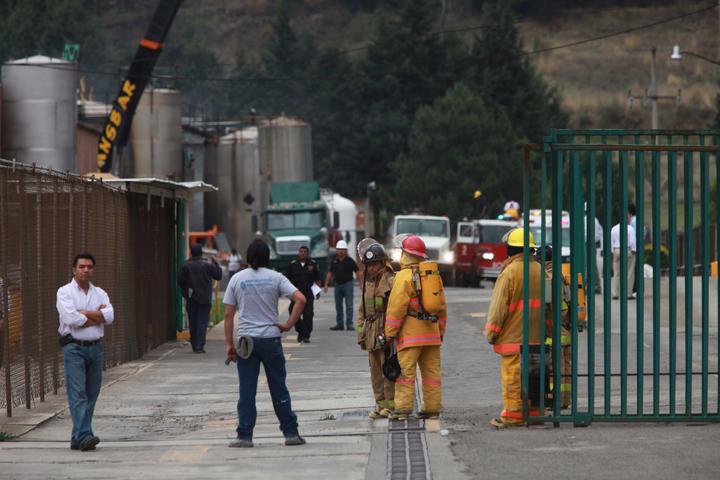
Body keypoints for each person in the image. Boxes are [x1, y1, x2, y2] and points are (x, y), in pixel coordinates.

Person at [223, 239, 307, 448]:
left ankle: (244, 435)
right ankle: (290, 433)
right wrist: (288, 324)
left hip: (246, 341)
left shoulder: (237, 279)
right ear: (268, 256)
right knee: (278, 387)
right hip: (271, 339)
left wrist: (229, 345)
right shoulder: (276, 278)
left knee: (247, 389)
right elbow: (301, 299)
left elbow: (227, 314)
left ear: (248, 256)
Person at [485, 228, 545, 428]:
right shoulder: (540, 269)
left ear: (512, 249)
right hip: (537, 336)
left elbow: (498, 307)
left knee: (513, 376)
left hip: (513, 337)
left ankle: (513, 415)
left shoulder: (509, 272)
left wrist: (491, 332)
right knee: (534, 374)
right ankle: (535, 412)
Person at [56, 253, 114, 451]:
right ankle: (85, 435)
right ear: (74, 269)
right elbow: (72, 320)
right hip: (74, 348)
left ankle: (77, 438)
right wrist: (98, 316)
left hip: (95, 348)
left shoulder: (100, 293)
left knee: (92, 393)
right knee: (78, 393)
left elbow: (110, 316)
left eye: (89, 267)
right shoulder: (64, 292)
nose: (86, 270)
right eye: (82, 266)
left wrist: (84, 313)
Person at [385, 235, 447, 421]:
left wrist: (390, 333)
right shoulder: (433, 276)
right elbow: (442, 307)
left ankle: (403, 409)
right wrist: (440, 332)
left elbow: (396, 308)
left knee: (405, 373)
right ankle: (432, 408)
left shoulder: (403, 277)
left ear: (405, 253)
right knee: (431, 375)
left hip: (411, 336)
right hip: (432, 335)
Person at [357, 240, 396, 419]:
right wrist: (361, 334)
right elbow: (362, 310)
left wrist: (390, 333)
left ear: (382, 263)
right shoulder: (368, 283)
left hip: (385, 332)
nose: (371, 268)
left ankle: (391, 405)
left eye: (374, 264)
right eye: (369, 265)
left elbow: (395, 309)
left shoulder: (390, 280)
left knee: (388, 369)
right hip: (371, 333)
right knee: (375, 372)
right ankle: (380, 405)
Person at [536, 246, 572, 409]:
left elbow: (551, 305)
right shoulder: (560, 274)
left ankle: (555, 401)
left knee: (554, 369)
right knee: (565, 368)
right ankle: (565, 400)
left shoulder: (547, 276)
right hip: (565, 329)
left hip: (554, 330)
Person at [178, 244, 222, 353]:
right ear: (201, 253)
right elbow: (218, 275)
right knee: (202, 321)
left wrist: (185, 292)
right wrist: (216, 263)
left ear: (191, 253)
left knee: (193, 321)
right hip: (205, 298)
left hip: (191, 298)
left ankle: (194, 344)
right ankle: (199, 346)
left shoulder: (186, 266)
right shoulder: (207, 265)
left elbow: (180, 281)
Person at [286, 245, 321, 343]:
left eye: (305, 252)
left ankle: (306, 335)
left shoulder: (312, 264)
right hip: (295, 295)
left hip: (308, 295)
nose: (302, 253)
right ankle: (300, 331)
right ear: (298, 253)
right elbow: (286, 280)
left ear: (307, 253)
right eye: (301, 251)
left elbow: (317, 279)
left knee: (308, 315)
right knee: (292, 312)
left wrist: (317, 292)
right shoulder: (292, 264)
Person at [324, 240, 358, 331]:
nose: (341, 251)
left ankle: (349, 324)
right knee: (338, 305)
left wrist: (361, 283)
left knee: (349, 305)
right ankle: (340, 324)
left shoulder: (350, 261)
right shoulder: (334, 261)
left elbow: (357, 272)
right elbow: (330, 273)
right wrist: (326, 284)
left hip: (348, 284)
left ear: (346, 250)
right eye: (339, 249)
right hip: (337, 285)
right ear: (336, 250)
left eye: (342, 249)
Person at [611, 213, 637, 300]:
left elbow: (612, 241)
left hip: (617, 249)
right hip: (628, 249)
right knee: (629, 272)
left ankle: (615, 293)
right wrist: (634, 250)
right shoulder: (630, 228)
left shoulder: (614, 228)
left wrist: (613, 251)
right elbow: (633, 241)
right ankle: (628, 294)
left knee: (617, 273)